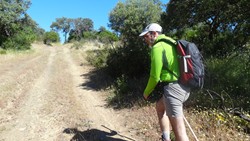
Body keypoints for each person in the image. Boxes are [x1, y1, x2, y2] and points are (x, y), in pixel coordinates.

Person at [139, 23, 190, 141]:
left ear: (154, 34)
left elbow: (154, 76)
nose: (144, 39)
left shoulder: (157, 47)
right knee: (160, 107)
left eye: (146, 36)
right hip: (184, 87)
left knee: (180, 134)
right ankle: (165, 138)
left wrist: (146, 92)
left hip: (173, 91)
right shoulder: (171, 43)